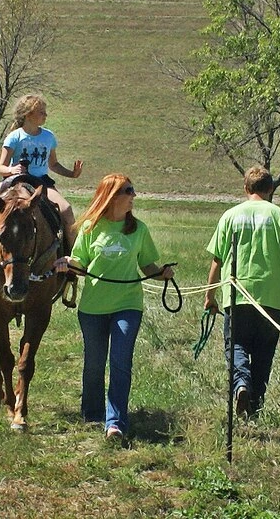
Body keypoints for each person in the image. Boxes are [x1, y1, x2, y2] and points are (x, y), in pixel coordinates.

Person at [54, 173, 175, 442]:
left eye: (132, 190)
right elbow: (81, 264)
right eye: (128, 191)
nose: (134, 196)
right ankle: (92, 413)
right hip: (93, 308)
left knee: (120, 363)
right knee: (94, 364)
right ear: (110, 196)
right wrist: (67, 263)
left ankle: (115, 423)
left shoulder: (139, 230)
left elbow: (148, 266)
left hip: (128, 305)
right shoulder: (89, 229)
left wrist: (162, 273)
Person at [204, 165, 280, 417]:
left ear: (245, 188)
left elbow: (218, 259)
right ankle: (254, 408)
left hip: (236, 294)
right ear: (270, 189)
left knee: (235, 345)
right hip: (269, 297)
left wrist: (210, 296)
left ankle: (241, 384)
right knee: (264, 354)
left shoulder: (230, 216)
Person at [0, 94, 83, 273]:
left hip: (41, 182)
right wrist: (12, 170)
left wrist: (72, 174)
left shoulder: (49, 137)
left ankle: (72, 262)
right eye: (41, 112)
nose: (45, 115)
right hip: (15, 181)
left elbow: (53, 164)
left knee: (66, 210)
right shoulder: (14, 137)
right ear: (28, 115)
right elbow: (1, 167)